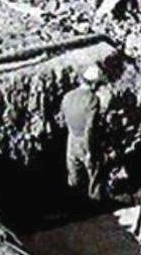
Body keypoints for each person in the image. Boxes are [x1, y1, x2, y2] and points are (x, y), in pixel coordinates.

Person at [59, 64, 104, 201]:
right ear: (94, 84)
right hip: (85, 141)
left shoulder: (67, 96)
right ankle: (96, 206)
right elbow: (89, 128)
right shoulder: (92, 100)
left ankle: (74, 204)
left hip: (71, 139)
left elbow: (62, 119)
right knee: (94, 176)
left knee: (74, 174)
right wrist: (89, 151)